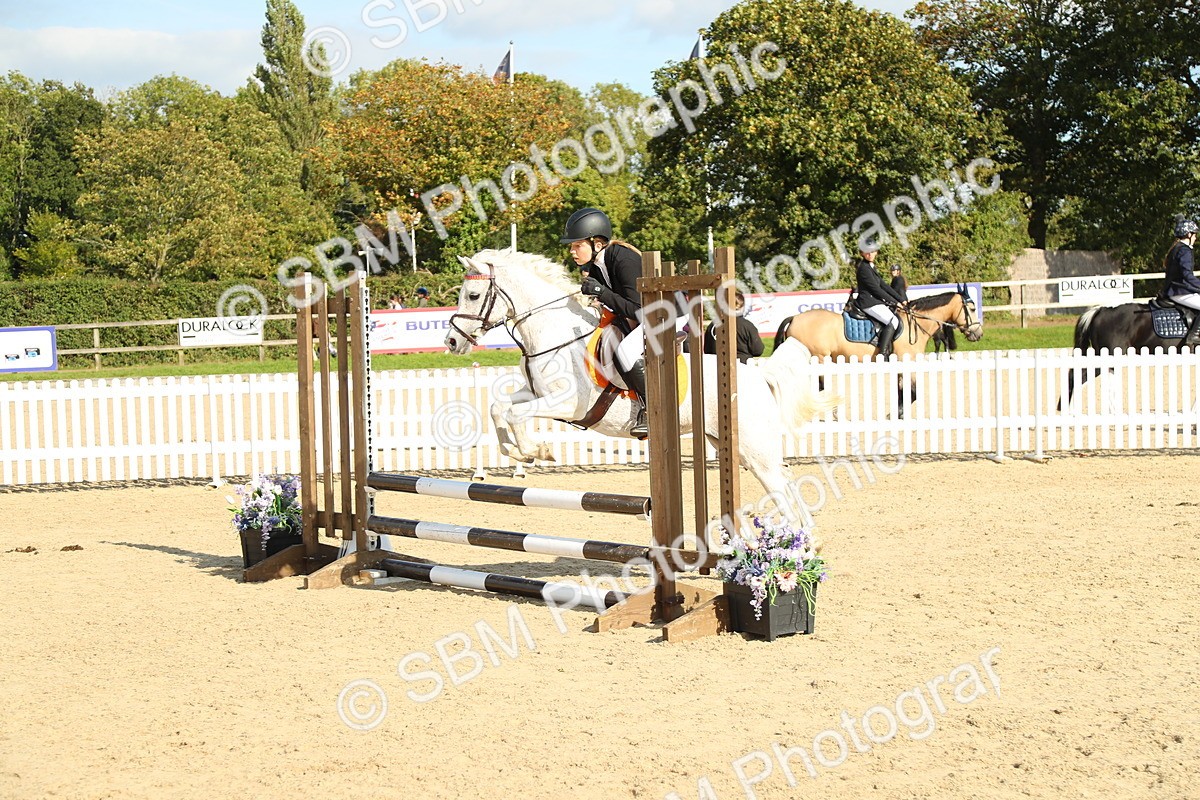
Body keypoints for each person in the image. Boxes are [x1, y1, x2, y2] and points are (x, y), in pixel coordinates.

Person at [561, 207, 649, 437]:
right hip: (639, 317)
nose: (572, 251)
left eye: (577, 245)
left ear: (597, 243)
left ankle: (650, 408)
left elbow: (639, 310)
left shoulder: (624, 259)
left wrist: (601, 292)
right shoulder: (598, 265)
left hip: (665, 315)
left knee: (627, 351)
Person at [854, 243, 907, 357]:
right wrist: (894, 302)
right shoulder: (864, 269)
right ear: (862, 253)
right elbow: (876, 290)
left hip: (875, 301)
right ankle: (882, 355)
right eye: (867, 252)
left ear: (876, 252)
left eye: (873, 251)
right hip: (868, 302)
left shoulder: (870, 266)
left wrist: (901, 299)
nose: (870, 254)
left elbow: (884, 286)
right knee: (893, 321)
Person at [1161, 218, 1200, 345]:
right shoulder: (1184, 250)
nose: (1195, 238)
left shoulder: (1176, 248)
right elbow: (1187, 276)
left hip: (1174, 290)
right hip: (1179, 291)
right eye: (1195, 234)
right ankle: (1194, 335)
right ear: (1189, 234)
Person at [702, 290, 764, 363]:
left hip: (717, 367)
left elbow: (707, 350)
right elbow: (757, 350)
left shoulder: (713, 326)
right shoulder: (747, 326)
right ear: (742, 306)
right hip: (742, 366)